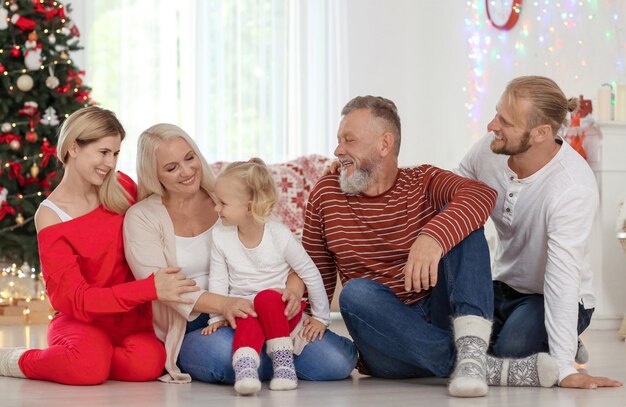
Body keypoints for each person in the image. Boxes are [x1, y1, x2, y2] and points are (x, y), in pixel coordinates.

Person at [304, 95, 559, 398]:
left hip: (442, 317)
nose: (338, 150)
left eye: (349, 140)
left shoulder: (422, 180)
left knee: (465, 227)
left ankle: (471, 355)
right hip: (386, 343)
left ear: (384, 145)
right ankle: (481, 366)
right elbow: (313, 273)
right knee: (356, 294)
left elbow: (481, 195)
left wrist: (433, 237)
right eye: (338, 140)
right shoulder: (327, 193)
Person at [123, 124, 356, 385]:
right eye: (171, 167)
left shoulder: (229, 194)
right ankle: (276, 357)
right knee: (223, 356)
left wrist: (293, 286)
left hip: (261, 305)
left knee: (339, 361)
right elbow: (161, 287)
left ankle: (263, 357)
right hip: (198, 321)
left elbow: (278, 246)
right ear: (153, 174)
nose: (187, 171)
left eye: (190, 158)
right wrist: (223, 307)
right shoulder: (142, 217)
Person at [0, 106, 199, 385]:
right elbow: (74, 299)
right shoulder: (50, 215)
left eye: (116, 154)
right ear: (74, 147)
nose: (110, 162)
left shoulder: (123, 187)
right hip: (83, 320)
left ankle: (88, 358)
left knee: (148, 365)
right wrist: (150, 288)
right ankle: (18, 360)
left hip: (131, 321)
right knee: (88, 369)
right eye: (103, 152)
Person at [456, 75, 623, 390]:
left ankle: (563, 342)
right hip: (501, 287)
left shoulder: (573, 187)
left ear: (541, 132)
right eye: (496, 113)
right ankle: (516, 344)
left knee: (510, 352)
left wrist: (562, 367)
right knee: (460, 339)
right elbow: (455, 186)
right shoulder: (491, 149)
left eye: (505, 121)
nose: (492, 125)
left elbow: (562, 276)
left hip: (552, 296)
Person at [204, 158, 330, 395]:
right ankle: (246, 371)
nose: (216, 208)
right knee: (248, 313)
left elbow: (309, 272)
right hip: (245, 309)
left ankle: (283, 364)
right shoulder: (220, 235)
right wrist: (216, 317)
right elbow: (218, 279)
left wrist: (321, 317)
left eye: (223, 203)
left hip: (279, 309)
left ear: (249, 207)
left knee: (265, 299)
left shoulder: (279, 235)